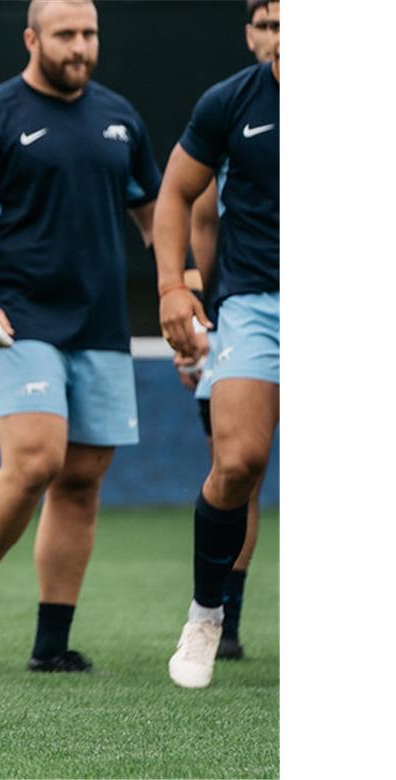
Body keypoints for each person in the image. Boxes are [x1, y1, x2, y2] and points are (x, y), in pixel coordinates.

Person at [0, 0, 159, 675]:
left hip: (102, 325)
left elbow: (155, 215)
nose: (80, 46)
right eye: (66, 35)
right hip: (16, 318)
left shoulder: (120, 116)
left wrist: (183, 284)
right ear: (32, 38)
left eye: (89, 34)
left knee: (81, 480)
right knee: (35, 458)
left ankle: (51, 644)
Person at [156, 0, 279, 690]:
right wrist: (176, 288)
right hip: (256, 303)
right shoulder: (231, 102)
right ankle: (208, 616)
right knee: (237, 463)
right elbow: (177, 193)